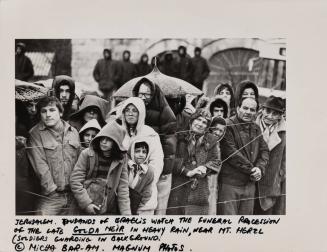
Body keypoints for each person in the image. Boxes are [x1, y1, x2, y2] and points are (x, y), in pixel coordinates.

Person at [27, 96, 81, 215]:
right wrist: (52, 191)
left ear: (60, 113)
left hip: (73, 195)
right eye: (43, 111)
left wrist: (77, 189)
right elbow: (40, 165)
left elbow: (79, 162)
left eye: (52, 110)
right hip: (51, 197)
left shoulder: (73, 132)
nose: (48, 115)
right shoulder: (35, 133)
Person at [218, 97, 269, 215]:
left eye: (252, 110)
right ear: (237, 108)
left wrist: (260, 168)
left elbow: (264, 150)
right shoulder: (227, 125)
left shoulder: (256, 128)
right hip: (230, 185)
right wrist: (252, 170)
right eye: (245, 108)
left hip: (250, 186)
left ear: (256, 112)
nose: (248, 112)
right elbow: (232, 153)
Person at [132, 79, 176, 215]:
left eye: (147, 94)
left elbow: (169, 142)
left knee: (160, 208)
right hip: (138, 165)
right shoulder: (134, 111)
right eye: (140, 94)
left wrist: (164, 169)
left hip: (160, 167)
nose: (143, 97)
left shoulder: (165, 111)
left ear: (154, 94)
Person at [70, 120, 131, 215]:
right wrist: (87, 204)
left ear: (116, 142)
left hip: (108, 207)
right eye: (102, 138)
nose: (104, 142)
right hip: (85, 205)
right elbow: (75, 181)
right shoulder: (87, 154)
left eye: (109, 139)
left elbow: (123, 189)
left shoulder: (121, 159)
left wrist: (126, 214)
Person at [167, 109, 221, 215]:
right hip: (178, 185)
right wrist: (187, 171)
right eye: (198, 120)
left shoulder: (211, 140)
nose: (200, 124)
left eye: (204, 122)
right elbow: (170, 159)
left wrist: (204, 168)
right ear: (192, 120)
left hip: (200, 188)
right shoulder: (179, 136)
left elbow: (216, 162)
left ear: (207, 127)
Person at [119, 97, 164, 214]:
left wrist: (142, 183)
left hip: (144, 192)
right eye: (127, 110)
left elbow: (157, 163)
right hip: (122, 192)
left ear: (141, 113)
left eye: (134, 110)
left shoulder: (150, 134)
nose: (130, 113)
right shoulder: (118, 132)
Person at [255, 96, 286, 215]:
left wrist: (279, 176)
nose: (270, 116)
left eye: (275, 113)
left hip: (271, 186)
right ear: (262, 110)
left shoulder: (285, 133)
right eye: (268, 111)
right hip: (251, 183)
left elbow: (285, 160)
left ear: (280, 115)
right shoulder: (252, 126)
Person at [127, 140, 154, 214]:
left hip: (134, 205)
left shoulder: (148, 171)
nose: (141, 154)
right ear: (132, 152)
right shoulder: (125, 166)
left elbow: (147, 193)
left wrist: (137, 207)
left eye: (144, 152)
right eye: (137, 151)